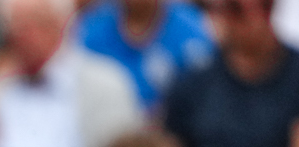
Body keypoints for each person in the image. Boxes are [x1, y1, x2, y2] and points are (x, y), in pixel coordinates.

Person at [163, 0, 299, 147]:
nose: (226, 19)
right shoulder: (192, 83)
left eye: (236, 9)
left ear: (268, 10)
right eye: (218, 10)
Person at [0, 0, 143, 147]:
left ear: (63, 24)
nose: (24, 36)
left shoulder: (105, 84)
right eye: (16, 27)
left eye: (36, 24)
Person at [80, 0, 215, 107]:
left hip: (176, 125)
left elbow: (207, 92)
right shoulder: (91, 31)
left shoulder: (192, 31)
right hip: (111, 122)